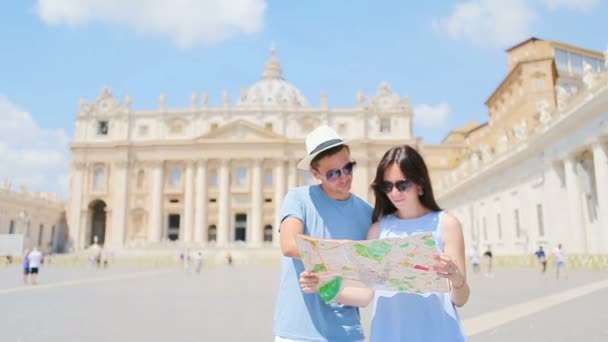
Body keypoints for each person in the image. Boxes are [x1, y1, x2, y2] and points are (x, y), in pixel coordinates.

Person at [300, 144, 469, 341]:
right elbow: (364, 295)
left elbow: (461, 299)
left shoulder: (446, 224)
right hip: (389, 334)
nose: (394, 193)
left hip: (438, 332)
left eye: (402, 185)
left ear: (420, 183)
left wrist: (456, 278)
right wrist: (322, 285)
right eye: (387, 186)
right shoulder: (377, 230)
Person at [274, 125, 373, 342]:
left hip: (348, 332)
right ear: (315, 173)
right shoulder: (298, 198)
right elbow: (289, 245)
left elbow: (367, 285)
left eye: (348, 168)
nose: (344, 177)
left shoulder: (367, 213)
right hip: (297, 332)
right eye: (333, 173)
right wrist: (343, 249)